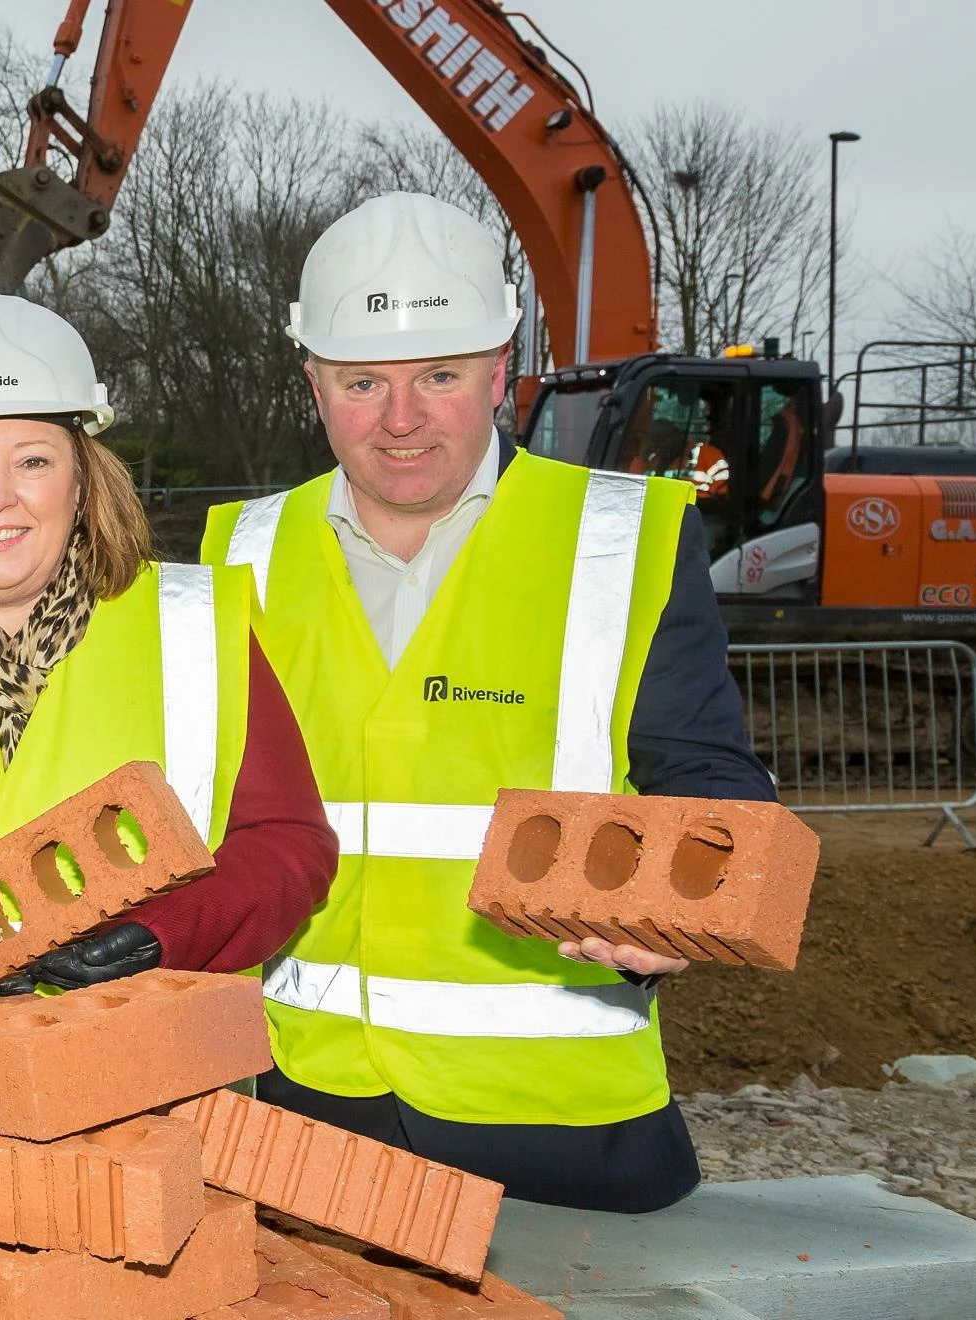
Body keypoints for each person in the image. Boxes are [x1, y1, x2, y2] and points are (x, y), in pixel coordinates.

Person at [200, 192, 777, 1213]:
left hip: (561, 1130)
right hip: (305, 1115)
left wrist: (688, 901)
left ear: (500, 369)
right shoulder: (233, 557)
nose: (401, 417)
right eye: (362, 381)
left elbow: (711, 781)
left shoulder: (620, 540)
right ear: (313, 383)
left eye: (440, 376)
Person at [0, 294, 337, 993]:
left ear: (82, 479)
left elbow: (288, 845)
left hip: (157, 1071)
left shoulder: (192, 625)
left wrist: (165, 932)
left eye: (31, 461)